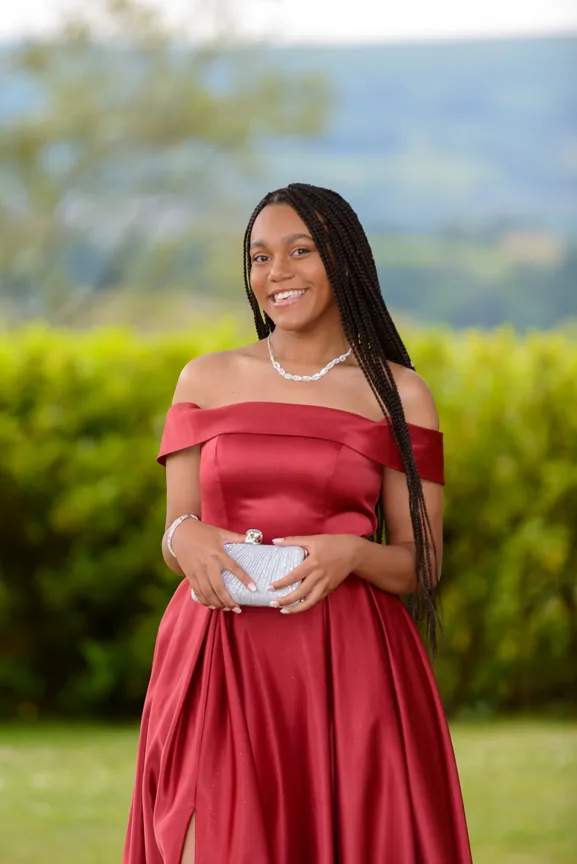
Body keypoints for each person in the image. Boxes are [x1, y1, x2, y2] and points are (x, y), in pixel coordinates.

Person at [124, 183, 472, 864]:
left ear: (342, 259)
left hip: (345, 664)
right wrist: (182, 536)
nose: (275, 272)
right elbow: (177, 528)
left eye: (298, 250)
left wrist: (350, 552)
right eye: (258, 257)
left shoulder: (398, 393)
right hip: (214, 654)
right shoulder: (204, 378)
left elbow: (418, 563)